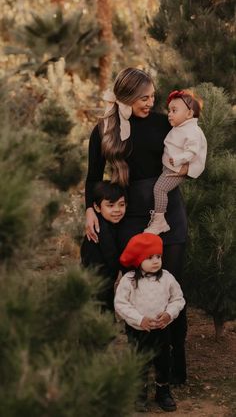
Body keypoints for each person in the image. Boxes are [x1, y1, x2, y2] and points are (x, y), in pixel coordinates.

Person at [85, 67, 188, 384]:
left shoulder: (162, 123)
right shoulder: (103, 129)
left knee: (170, 284)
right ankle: (139, 366)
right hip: (129, 216)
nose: (150, 102)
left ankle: (173, 370)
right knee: (137, 286)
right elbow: (93, 176)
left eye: (153, 96)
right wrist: (90, 210)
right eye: (144, 97)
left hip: (167, 212)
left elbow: (190, 142)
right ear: (125, 97)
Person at [114, 233, 185, 412]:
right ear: (138, 260)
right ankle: (139, 395)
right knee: (140, 363)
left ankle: (163, 392)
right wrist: (139, 319)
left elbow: (178, 299)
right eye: (149, 257)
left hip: (161, 330)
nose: (155, 261)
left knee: (163, 362)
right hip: (138, 331)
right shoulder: (129, 280)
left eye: (158, 257)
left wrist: (169, 314)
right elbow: (121, 304)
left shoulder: (167, 278)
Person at [144, 89, 207, 235]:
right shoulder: (181, 126)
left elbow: (192, 151)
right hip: (171, 166)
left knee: (159, 189)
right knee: (160, 189)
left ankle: (160, 222)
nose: (170, 114)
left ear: (189, 114)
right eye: (169, 110)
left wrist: (178, 160)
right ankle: (160, 220)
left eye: (174, 110)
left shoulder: (192, 131)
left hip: (177, 168)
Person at [81, 180, 127, 311]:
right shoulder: (100, 227)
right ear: (97, 207)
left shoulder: (113, 225)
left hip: (103, 278)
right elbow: (111, 254)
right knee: (101, 307)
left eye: (121, 204)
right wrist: (122, 271)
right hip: (97, 279)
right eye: (110, 205)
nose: (117, 210)